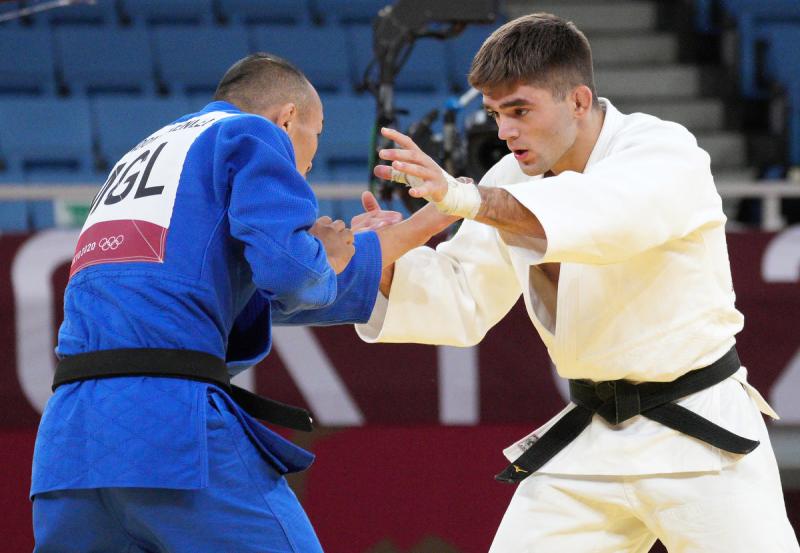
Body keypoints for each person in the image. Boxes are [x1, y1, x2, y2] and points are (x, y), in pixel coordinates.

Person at [356, 13, 800, 552]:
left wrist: (464, 198)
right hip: (592, 439)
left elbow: (604, 220)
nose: (504, 131)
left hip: (701, 436)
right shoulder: (509, 179)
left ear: (579, 101)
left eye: (520, 110)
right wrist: (382, 264)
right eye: (496, 114)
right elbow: (463, 294)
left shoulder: (663, 150)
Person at [31, 53, 388, 553]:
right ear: (286, 118)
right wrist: (322, 256)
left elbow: (227, 292)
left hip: (69, 443)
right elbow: (292, 276)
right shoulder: (250, 134)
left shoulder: (143, 153)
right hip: (168, 429)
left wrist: (382, 246)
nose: (308, 159)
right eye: (315, 134)